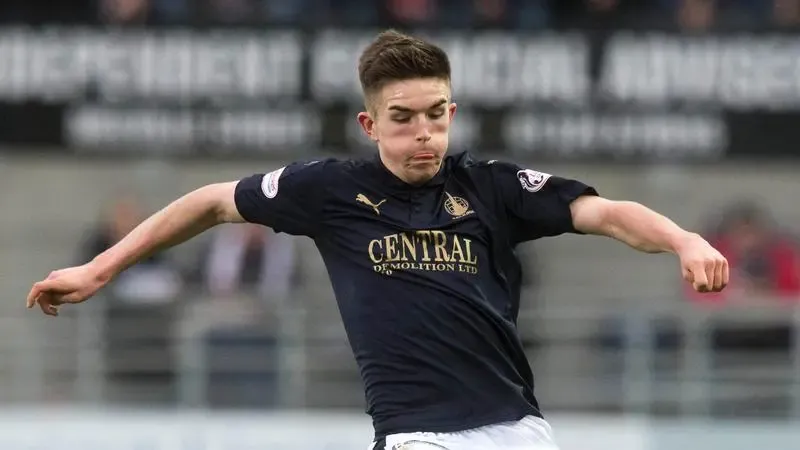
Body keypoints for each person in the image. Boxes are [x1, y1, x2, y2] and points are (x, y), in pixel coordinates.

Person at [26, 30, 728, 450]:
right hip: (417, 432)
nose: (423, 132)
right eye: (403, 118)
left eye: (436, 114)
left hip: (517, 428)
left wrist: (684, 239)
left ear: (451, 111)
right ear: (370, 125)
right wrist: (100, 268)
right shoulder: (329, 191)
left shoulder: (491, 187)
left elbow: (606, 213)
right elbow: (211, 201)